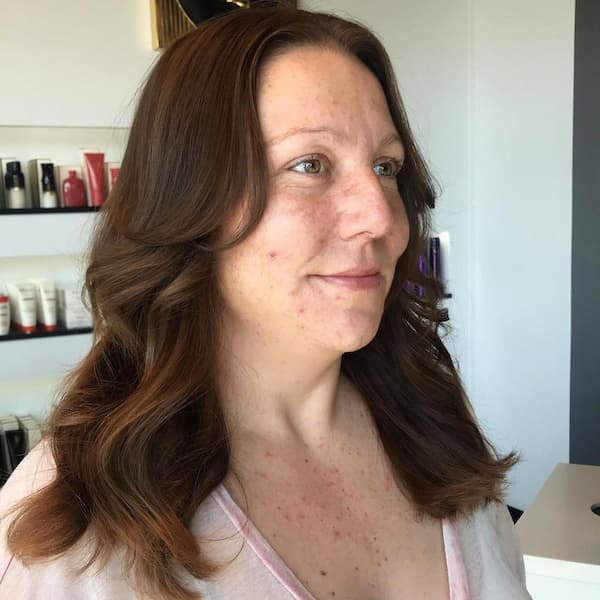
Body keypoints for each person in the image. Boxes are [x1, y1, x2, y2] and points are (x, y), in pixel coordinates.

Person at [0, 5, 532, 600]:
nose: (381, 217)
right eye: (310, 165)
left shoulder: (434, 426)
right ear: (189, 202)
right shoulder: (71, 533)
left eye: (386, 167)